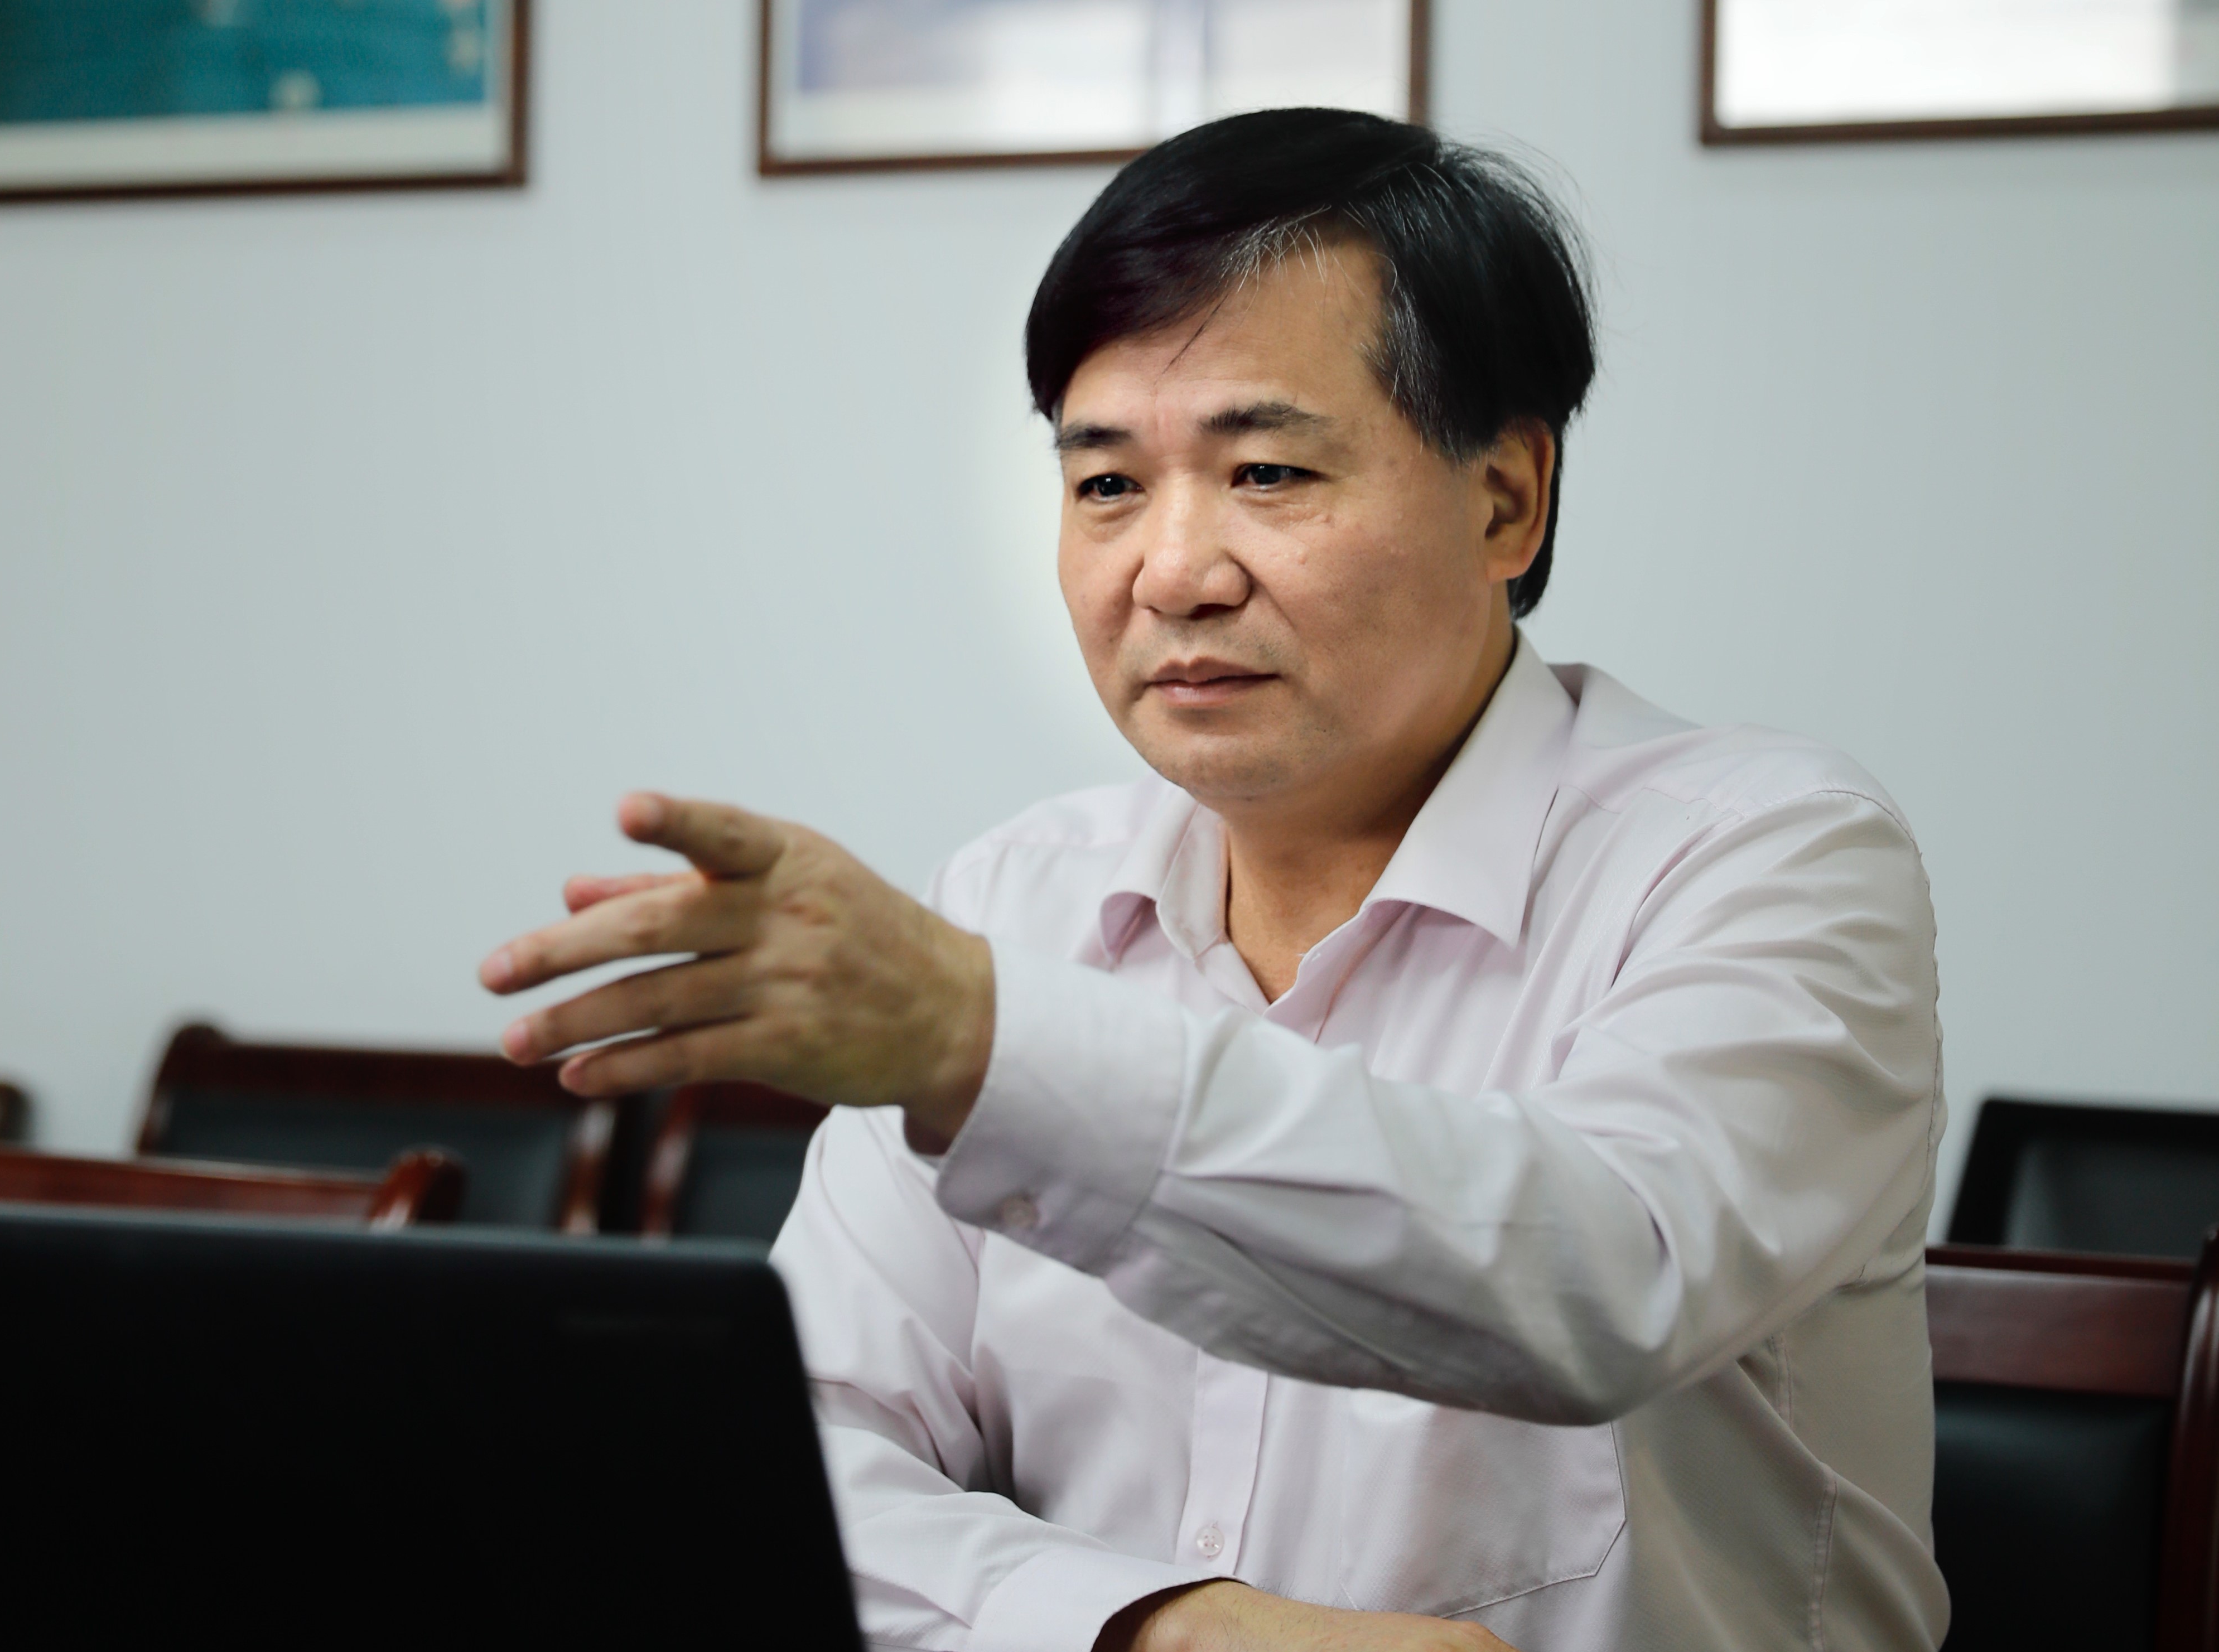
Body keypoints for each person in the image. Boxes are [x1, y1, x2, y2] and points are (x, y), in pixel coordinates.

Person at [481, 109, 1947, 1651]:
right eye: (1108, 486)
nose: (1175, 572)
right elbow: (803, 1458)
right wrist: (1161, 1630)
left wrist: (988, 1048)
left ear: (1506, 500)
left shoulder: (1768, 853)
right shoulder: (1011, 905)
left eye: (1267, 469)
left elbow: (1607, 1277)